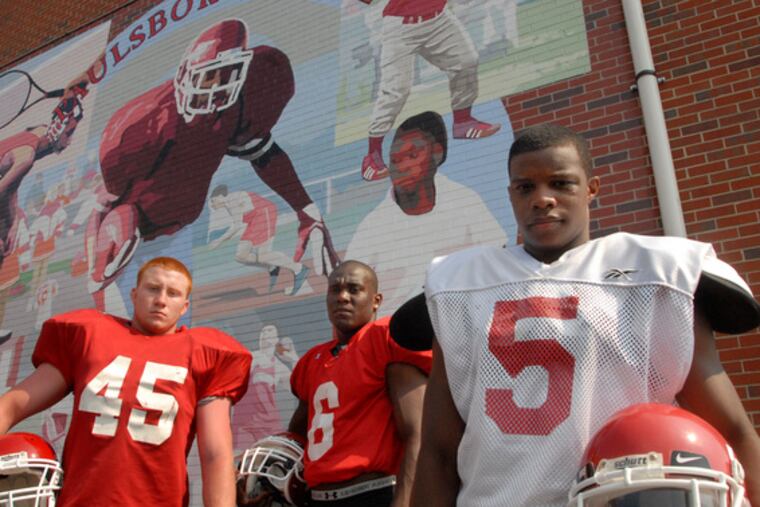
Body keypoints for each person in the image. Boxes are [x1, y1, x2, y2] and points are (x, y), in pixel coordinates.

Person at [393, 124, 760, 506]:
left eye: (561, 183)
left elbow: (732, 430)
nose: (542, 199)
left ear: (591, 188)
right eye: (525, 188)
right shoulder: (459, 287)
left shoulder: (658, 276)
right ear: (510, 195)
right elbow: (438, 450)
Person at [66, 18, 339, 312]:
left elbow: (263, 154)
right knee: (119, 327)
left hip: (179, 232)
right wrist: (98, 276)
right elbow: (104, 204)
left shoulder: (248, 93)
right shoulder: (140, 124)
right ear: (184, 73)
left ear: (240, 73)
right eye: (207, 77)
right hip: (127, 239)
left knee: (173, 329)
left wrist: (306, 210)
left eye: (224, 77)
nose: (213, 88)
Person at [0, 256, 252, 506]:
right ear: (134, 294)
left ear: (184, 306)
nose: (161, 300)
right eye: (153, 289)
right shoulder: (89, 334)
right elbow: (12, 405)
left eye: (173, 293)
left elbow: (215, 454)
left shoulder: (205, 354)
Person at [287, 260, 432, 506]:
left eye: (354, 289)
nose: (342, 297)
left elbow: (418, 433)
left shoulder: (384, 339)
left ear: (376, 300)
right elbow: (297, 438)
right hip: (318, 498)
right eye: (335, 290)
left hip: (372, 493)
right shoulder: (312, 361)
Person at [346, 111, 505, 314]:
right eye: (395, 160)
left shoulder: (465, 203)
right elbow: (346, 301)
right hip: (392, 341)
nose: (401, 167)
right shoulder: (371, 228)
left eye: (412, 156)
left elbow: (498, 268)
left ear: (436, 153)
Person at [359, 0, 501, 181]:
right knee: (396, 90)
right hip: (401, 26)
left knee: (466, 61)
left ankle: (463, 122)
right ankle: (373, 155)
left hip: (439, 17)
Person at [208, 185, 311, 296]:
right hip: (253, 220)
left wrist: (219, 241)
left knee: (263, 255)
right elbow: (238, 224)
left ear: (219, 196)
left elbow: (237, 226)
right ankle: (271, 266)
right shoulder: (229, 204)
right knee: (240, 256)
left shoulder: (233, 200)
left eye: (213, 201)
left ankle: (299, 269)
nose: (212, 205)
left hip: (264, 214)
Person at [232, 324, 299, 452]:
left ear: (276, 339)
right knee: (241, 464)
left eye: (269, 331)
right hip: (245, 424)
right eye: (263, 331)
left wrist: (293, 359)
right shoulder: (250, 357)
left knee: (269, 464)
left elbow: (297, 387)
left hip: (269, 425)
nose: (264, 333)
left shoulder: (278, 367)